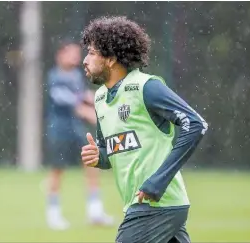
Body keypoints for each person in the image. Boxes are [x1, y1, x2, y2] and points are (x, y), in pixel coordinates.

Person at [80, 16, 208, 243]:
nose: (85, 60)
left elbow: (195, 124)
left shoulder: (146, 87)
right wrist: (98, 156)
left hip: (155, 205)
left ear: (110, 59)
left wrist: (158, 181)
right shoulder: (100, 98)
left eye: (91, 52)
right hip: (148, 205)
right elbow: (110, 154)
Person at [45, 40, 113, 230]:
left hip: (76, 129)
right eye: (72, 53)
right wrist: (88, 112)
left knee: (92, 164)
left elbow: (84, 96)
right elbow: (67, 101)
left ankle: (95, 211)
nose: (77, 58)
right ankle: (53, 214)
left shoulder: (76, 75)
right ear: (60, 54)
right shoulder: (54, 76)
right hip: (59, 130)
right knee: (57, 170)